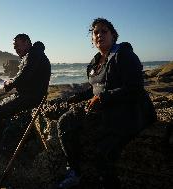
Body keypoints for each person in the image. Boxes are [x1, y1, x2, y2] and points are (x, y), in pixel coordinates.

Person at [56, 18, 156, 189]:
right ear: (92, 39)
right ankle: (74, 171)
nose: (99, 35)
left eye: (104, 31)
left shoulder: (124, 55)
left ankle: (108, 182)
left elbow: (135, 88)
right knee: (65, 122)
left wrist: (103, 98)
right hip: (104, 107)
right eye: (96, 32)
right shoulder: (95, 63)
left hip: (129, 109)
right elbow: (94, 89)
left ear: (113, 35)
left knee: (103, 147)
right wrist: (76, 98)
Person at [0, 34, 51, 128]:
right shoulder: (35, 54)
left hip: (30, 98)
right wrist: (13, 81)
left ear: (26, 42)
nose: (16, 49)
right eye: (14, 47)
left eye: (17, 45)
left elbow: (23, 76)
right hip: (29, 95)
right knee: (0, 105)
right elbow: (26, 75)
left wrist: (9, 83)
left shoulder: (33, 55)